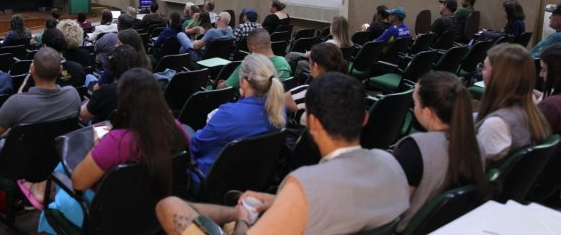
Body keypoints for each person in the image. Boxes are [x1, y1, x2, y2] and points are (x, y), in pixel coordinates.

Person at [156, 72, 410, 235]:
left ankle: (238, 212)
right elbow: (339, 205)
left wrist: (244, 219)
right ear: (365, 117)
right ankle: (236, 211)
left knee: (169, 205)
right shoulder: (392, 163)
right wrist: (276, 201)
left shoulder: (304, 184)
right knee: (240, 206)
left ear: (311, 122)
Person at [37, 68, 189, 232]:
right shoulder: (177, 129)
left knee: (54, 204)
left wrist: (96, 147)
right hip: (152, 210)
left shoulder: (117, 142)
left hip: (108, 216)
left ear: (123, 99)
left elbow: (79, 182)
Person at [0, 47, 81, 219]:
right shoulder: (73, 95)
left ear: (32, 69)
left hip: (16, 166)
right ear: (60, 70)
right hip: (53, 161)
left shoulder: (16, 103)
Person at [391, 71, 489, 231]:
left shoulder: (413, 149)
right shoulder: (476, 144)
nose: (413, 107)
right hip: (453, 228)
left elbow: (392, 208)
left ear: (428, 112)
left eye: (415, 103)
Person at [191, 53, 286, 179]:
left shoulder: (228, 114)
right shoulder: (279, 109)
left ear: (245, 82)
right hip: (253, 177)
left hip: (212, 179)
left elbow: (197, 145)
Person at [476, 43, 551, 163]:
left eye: (484, 68)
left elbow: (475, 173)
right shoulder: (533, 110)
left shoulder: (495, 125)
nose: (481, 73)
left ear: (498, 77)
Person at [79, 44, 141, 124]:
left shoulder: (106, 91)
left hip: (104, 130)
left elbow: (82, 117)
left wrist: (88, 103)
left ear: (112, 67)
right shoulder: (145, 86)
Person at [285, 42, 347, 117]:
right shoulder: (352, 90)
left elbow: (275, 105)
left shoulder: (308, 92)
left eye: (310, 62)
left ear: (315, 66)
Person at [219, 28, 291, 91]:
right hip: (277, 104)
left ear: (253, 48)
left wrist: (221, 84)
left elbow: (223, 89)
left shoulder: (248, 66)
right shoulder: (284, 62)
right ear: (270, 44)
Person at [286, 15, 352, 77]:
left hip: (323, 70)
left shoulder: (330, 43)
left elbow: (312, 55)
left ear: (335, 28)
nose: (330, 27)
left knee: (292, 56)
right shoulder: (350, 44)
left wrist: (308, 53)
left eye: (331, 25)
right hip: (336, 71)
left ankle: (286, 78)